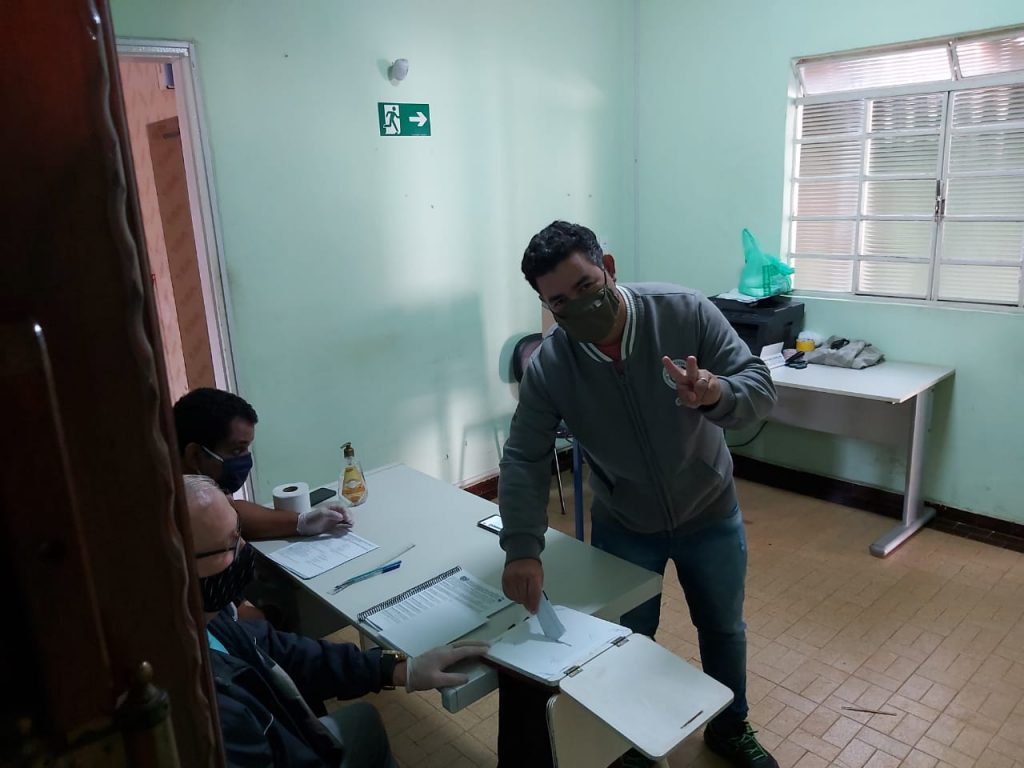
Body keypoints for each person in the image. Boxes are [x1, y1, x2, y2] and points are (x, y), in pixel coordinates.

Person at [498, 221, 778, 768]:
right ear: (543, 304)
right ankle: (628, 736)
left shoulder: (684, 311)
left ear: (608, 266)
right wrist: (522, 547)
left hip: (709, 510)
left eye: (584, 285)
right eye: (558, 301)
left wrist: (716, 392)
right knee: (626, 637)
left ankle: (730, 725)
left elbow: (759, 386)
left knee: (722, 628)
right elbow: (525, 456)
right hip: (625, 522)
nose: (576, 306)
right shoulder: (553, 363)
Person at [185, 474, 489, 767]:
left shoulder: (205, 619)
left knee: (363, 720)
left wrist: (397, 668)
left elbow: (279, 649)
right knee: (364, 726)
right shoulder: (212, 712)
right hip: (290, 747)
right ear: (181, 565)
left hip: (289, 732)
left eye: (240, 533)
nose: (244, 549)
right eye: (231, 543)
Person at [174, 388, 349, 540]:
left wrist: (302, 521)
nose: (245, 458)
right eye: (236, 450)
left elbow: (234, 510)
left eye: (246, 448)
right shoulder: (177, 510)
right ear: (194, 455)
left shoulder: (199, 492)